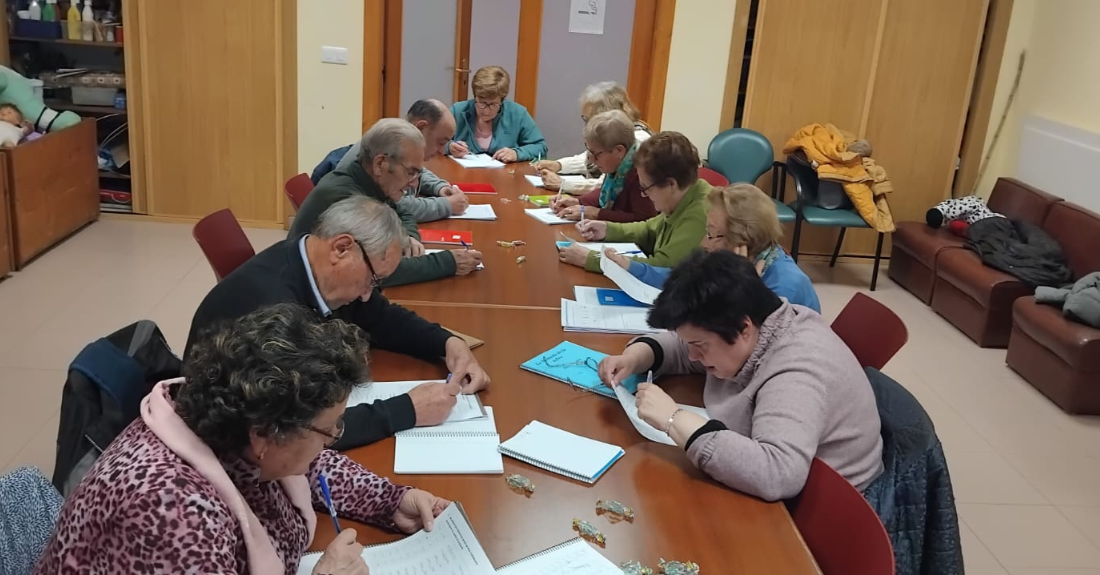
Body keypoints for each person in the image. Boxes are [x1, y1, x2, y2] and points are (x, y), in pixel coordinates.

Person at [37, 304, 451, 574]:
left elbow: (314, 465)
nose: (332, 442)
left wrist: (391, 501)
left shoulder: (229, 418)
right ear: (265, 437)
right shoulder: (173, 513)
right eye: (330, 429)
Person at [188, 195, 490, 450]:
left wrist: (448, 342)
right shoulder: (275, 312)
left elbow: (379, 316)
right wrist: (406, 410)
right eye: (373, 279)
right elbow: (299, 433)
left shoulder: (311, 264)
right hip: (233, 448)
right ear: (342, 249)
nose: (367, 294)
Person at [597, 251, 884, 501]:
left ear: (744, 329)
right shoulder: (756, 319)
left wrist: (674, 419)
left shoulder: (797, 367)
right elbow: (687, 344)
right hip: (793, 485)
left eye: (700, 346)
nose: (692, 355)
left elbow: (778, 473)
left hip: (821, 512)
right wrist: (637, 357)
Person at [292, 118, 483, 286]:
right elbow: (378, 272)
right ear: (380, 164)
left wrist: (409, 237)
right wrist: (448, 262)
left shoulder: (370, 181)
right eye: (410, 172)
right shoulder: (348, 196)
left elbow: (403, 212)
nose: (415, 183)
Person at [604, 184, 821, 312]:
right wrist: (631, 267)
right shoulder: (738, 260)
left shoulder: (784, 289)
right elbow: (686, 279)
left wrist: (740, 290)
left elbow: (742, 350)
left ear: (741, 240)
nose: (703, 244)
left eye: (710, 234)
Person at [558, 131, 711, 273]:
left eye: (647, 188)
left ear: (671, 184)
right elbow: (649, 228)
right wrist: (608, 229)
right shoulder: (685, 195)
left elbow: (662, 268)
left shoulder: (701, 214)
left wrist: (593, 259)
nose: (644, 194)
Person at [337, 99, 470, 223]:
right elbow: (395, 205)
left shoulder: (401, 140)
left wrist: (440, 187)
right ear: (421, 128)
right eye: (441, 142)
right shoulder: (389, 144)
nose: (442, 151)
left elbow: (416, 172)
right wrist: (447, 205)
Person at [534, 81, 651, 194]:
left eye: (589, 119)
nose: (587, 125)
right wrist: (559, 165)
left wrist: (564, 184)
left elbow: (606, 186)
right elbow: (591, 157)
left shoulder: (638, 141)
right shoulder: (616, 132)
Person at [546, 110, 657, 223]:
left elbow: (644, 220)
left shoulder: (640, 172)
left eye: (596, 154)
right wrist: (577, 201)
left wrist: (596, 213)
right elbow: (606, 193)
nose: (591, 159)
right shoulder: (620, 163)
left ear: (619, 151)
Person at [448, 66, 547, 162]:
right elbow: (433, 142)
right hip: (463, 174)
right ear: (475, 97)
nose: (486, 111)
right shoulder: (458, 111)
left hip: (505, 175)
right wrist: (449, 147)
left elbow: (540, 146)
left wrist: (516, 153)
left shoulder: (518, 114)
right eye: (482, 103)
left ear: (502, 100)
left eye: (493, 104)